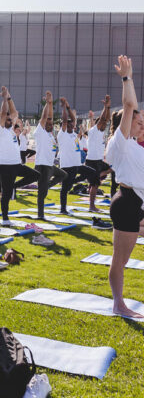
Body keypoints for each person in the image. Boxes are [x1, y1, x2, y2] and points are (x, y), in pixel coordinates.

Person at [105, 55, 144, 319]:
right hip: (127, 203)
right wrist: (127, 78)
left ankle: (119, 302)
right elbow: (130, 104)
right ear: (126, 123)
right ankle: (118, 304)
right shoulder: (119, 142)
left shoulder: (133, 145)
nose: (142, 126)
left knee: (123, 258)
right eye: (138, 123)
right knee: (121, 259)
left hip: (137, 202)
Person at [0, 87, 39, 225]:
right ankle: (5, 219)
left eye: (10, 119)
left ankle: (15, 186)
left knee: (36, 175)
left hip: (16, 164)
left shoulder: (11, 131)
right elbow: (4, 113)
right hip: (5, 165)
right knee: (6, 194)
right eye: (8, 119)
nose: (11, 120)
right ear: (2, 120)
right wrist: (4, 99)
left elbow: (14, 112)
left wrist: (9, 98)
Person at [57, 97, 99, 214]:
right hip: (68, 165)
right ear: (64, 126)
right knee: (65, 188)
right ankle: (63, 209)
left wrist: (68, 107)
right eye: (69, 125)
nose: (72, 126)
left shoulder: (73, 134)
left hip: (77, 164)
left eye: (72, 125)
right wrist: (64, 108)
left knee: (93, 173)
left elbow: (73, 119)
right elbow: (65, 120)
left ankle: (75, 180)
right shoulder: (62, 134)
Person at [33, 91, 67, 219]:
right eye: (48, 124)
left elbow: (50, 117)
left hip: (49, 165)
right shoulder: (40, 132)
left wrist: (51, 103)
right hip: (42, 165)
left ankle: (46, 185)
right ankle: (40, 215)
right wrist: (47, 103)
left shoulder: (50, 135)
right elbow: (44, 117)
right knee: (42, 193)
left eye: (51, 124)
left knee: (63, 175)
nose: (50, 125)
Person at [85, 97, 113, 213]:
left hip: (98, 161)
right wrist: (105, 107)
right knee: (95, 184)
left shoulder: (99, 132)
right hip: (92, 161)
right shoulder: (94, 131)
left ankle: (99, 175)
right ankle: (92, 206)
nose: (105, 125)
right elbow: (102, 119)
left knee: (113, 168)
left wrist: (108, 108)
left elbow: (106, 119)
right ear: (98, 125)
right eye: (103, 124)